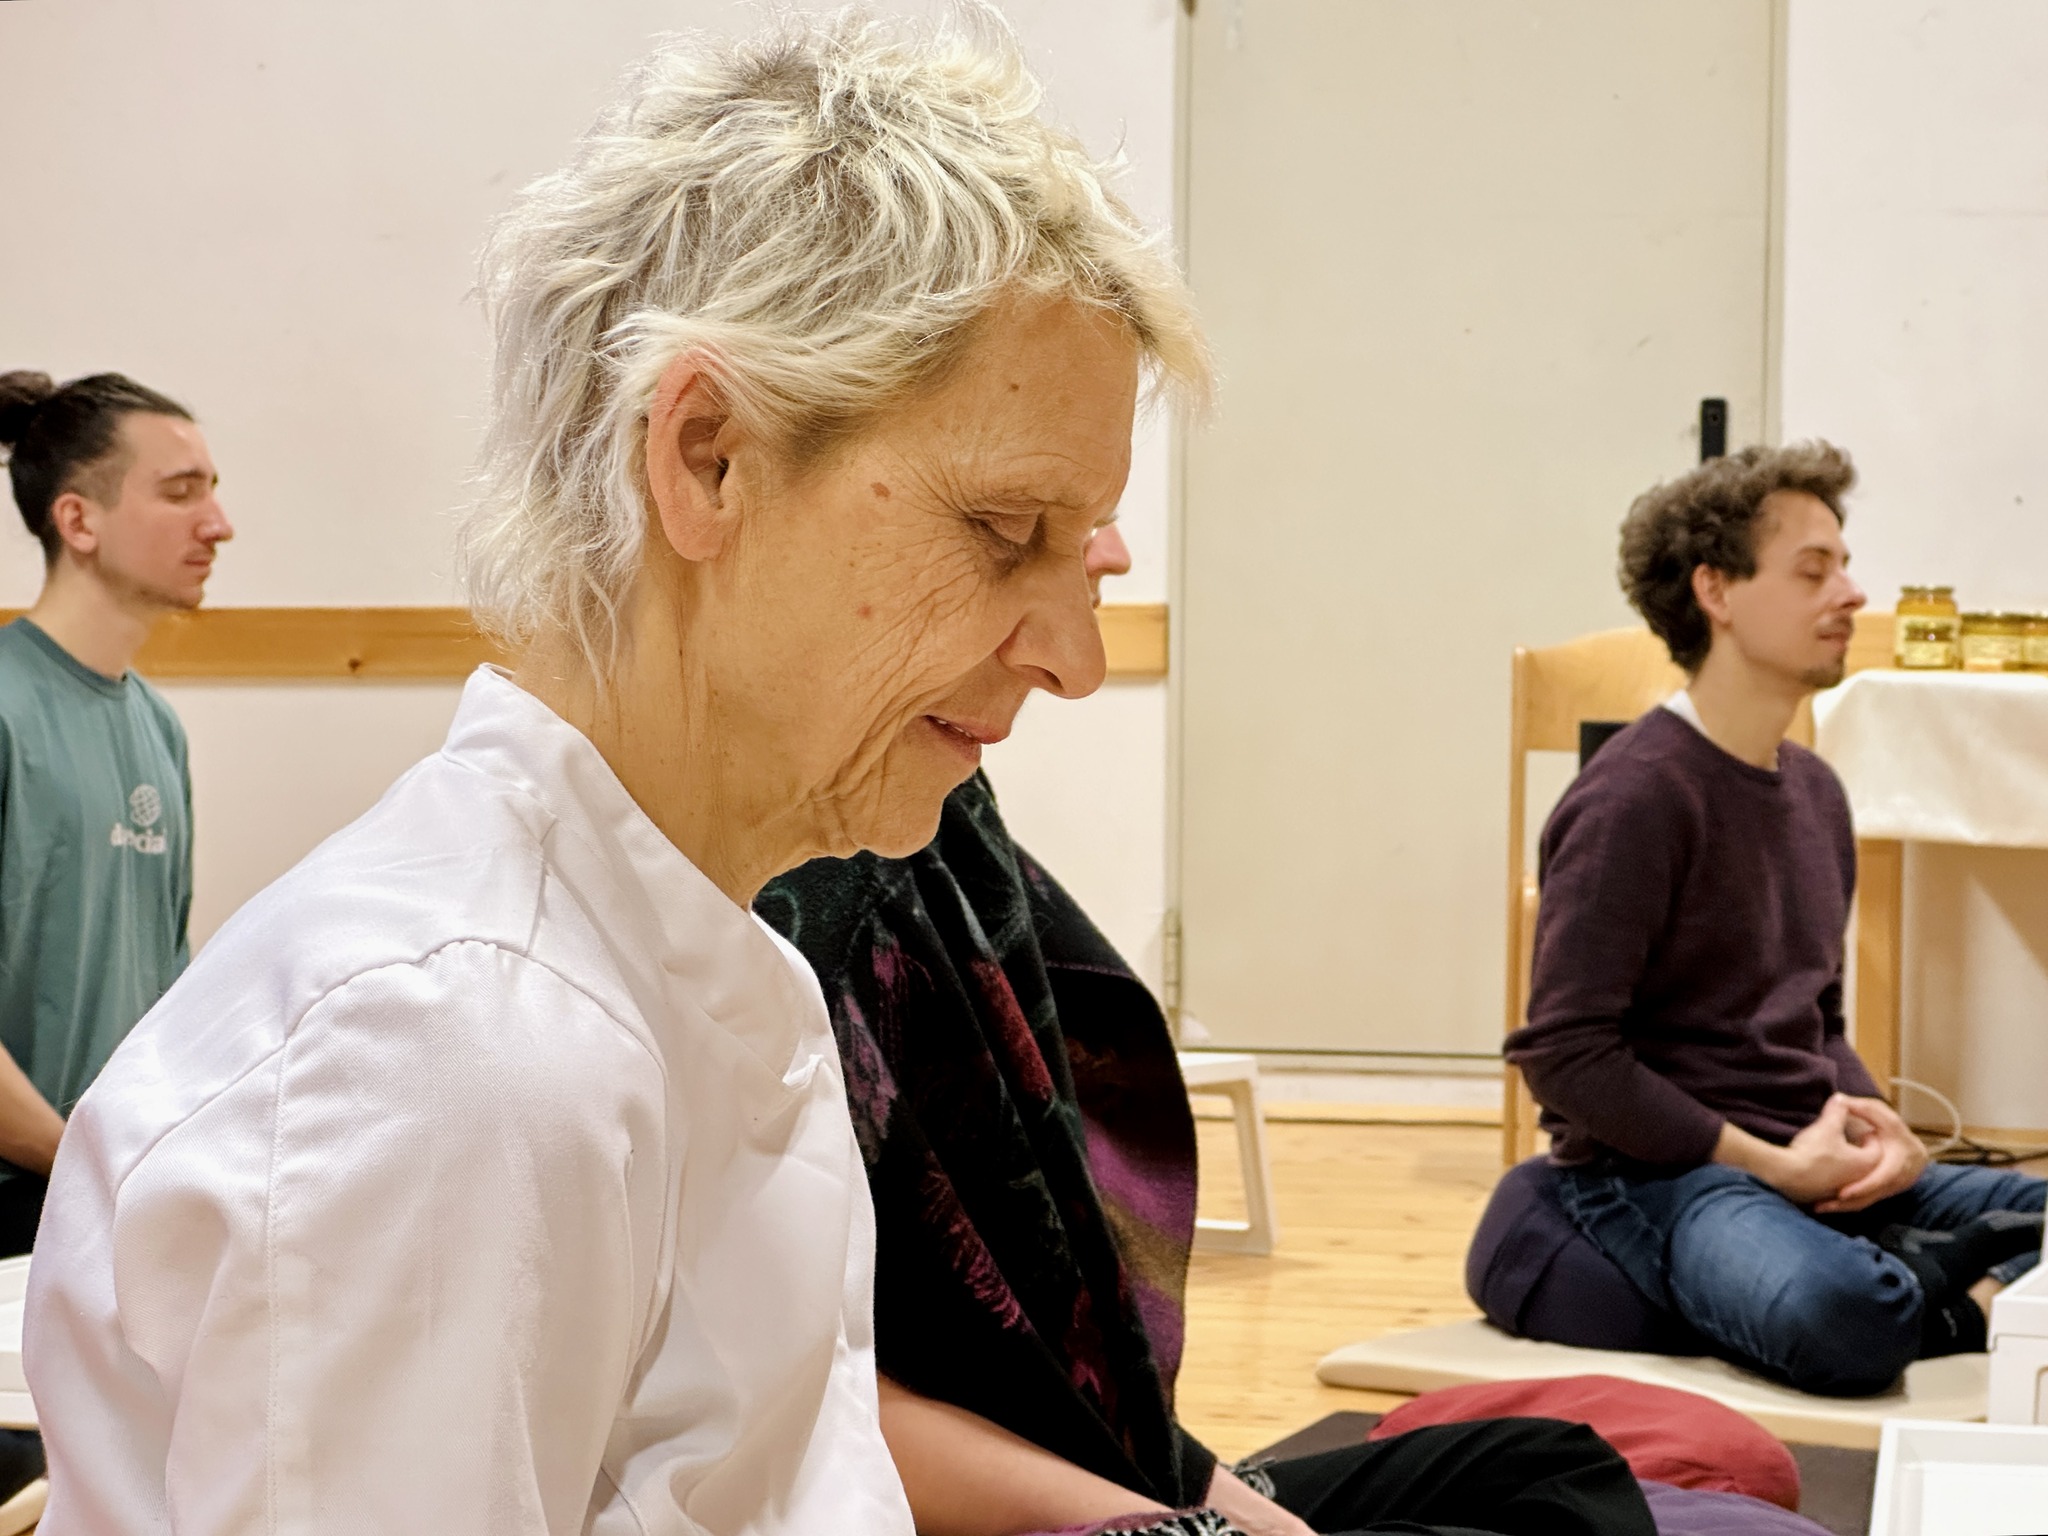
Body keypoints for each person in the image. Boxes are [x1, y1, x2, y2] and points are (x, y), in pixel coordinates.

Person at [25, 13, 1210, 1534]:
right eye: (1003, 532)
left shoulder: (704, 954)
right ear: (707, 456)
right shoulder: (453, 1057)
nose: (1076, 657)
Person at [757, 534, 1655, 1536]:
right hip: (948, 1500)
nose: (1111, 558)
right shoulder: (788, 911)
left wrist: (1213, 1503)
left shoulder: (929, 811)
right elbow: (817, 1420)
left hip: (1092, 1453)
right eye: (1023, 519)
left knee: (1560, 1470)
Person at [1506, 442, 2045, 1397]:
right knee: (1845, 1316)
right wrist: (1771, 1166)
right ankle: (1946, 1294)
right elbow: (1566, 1055)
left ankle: (1936, 1286)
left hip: (1809, 1158)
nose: (1852, 593)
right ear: (1715, 590)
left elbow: (1818, 1019)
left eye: (1845, 565)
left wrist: (1881, 1130)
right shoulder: (1635, 796)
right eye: (1813, 570)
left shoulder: (1817, 792)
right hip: (1671, 1175)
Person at [0, 371, 229, 1259]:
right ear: (78, 520)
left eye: (212, 491)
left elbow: (167, 990)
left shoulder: (158, 729)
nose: (218, 524)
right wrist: (84, 1162)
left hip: (105, 1200)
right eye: (181, 493)